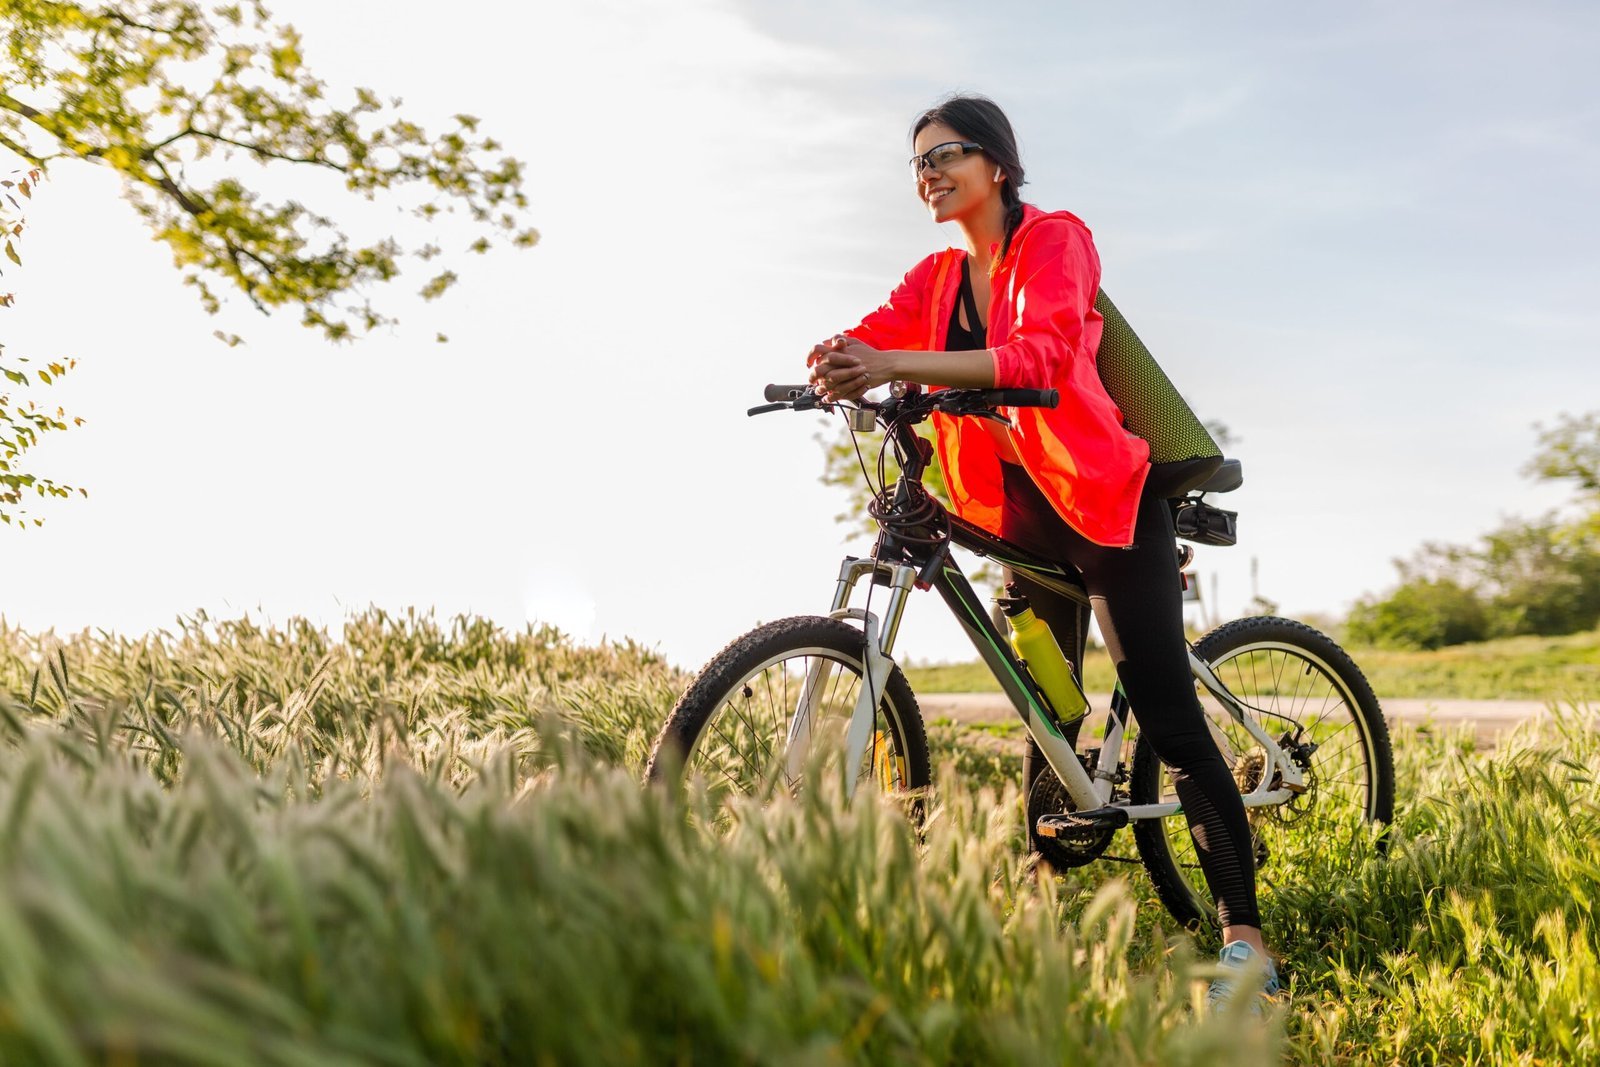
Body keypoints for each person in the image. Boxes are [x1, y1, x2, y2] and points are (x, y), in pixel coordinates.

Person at [805, 93, 1281, 1007]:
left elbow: (1039, 356)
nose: (928, 174)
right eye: (917, 164)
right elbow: (880, 332)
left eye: (945, 154)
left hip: (1105, 507)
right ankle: (1045, 898)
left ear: (998, 165)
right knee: (1044, 711)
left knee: (1172, 723)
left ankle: (1245, 944)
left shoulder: (1057, 240)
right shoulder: (938, 279)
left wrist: (898, 364)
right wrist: (837, 356)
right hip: (1021, 520)